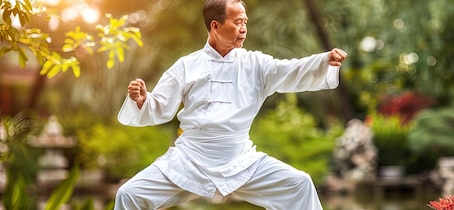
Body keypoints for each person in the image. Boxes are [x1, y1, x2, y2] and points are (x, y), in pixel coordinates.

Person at [114, 0, 347, 209]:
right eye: (237, 22)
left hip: (241, 162)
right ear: (215, 26)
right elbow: (161, 105)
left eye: (245, 22)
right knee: (128, 195)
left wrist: (324, 61)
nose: (244, 28)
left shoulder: (256, 64)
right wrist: (143, 101)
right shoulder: (187, 65)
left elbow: (291, 69)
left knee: (300, 184)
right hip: (189, 160)